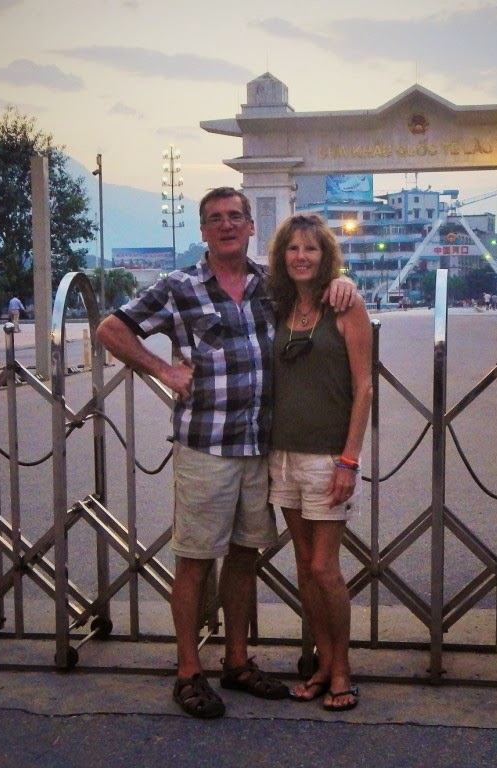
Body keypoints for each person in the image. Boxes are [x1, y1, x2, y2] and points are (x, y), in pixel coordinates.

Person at [95, 188, 356, 719]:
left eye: (236, 216)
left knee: (243, 558)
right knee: (195, 561)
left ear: (251, 226)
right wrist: (163, 370)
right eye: (215, 218)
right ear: (203, 230)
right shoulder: (179, 286)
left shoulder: (270, 285)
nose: (227, 225)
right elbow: (110, 329)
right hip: (206, 447)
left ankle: (236, 661)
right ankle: (189, 671)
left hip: (259, 447)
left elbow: (316, 284)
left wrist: (344, 281)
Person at [267, 214, 373, 713]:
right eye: (293, 248)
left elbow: (364, 387)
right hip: (282, 455)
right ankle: (324, 665)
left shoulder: (346, 305)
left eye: (311, 248)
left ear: (325, 254)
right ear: (281, 257)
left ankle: (343, 669)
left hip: (329, 457)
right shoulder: (279, 306)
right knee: (303, 568)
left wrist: (349, 460)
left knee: (323, 568)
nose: (301, 257)